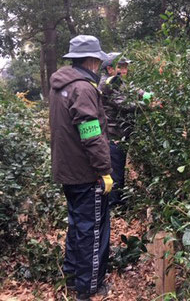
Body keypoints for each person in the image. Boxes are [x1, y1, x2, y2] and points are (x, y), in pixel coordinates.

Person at [49, 35, 113, 300]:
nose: (98, 66)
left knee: (77, 224)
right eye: (98, 60)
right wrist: (104, 170)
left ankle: (72, 275)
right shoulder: (83, 88)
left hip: (67, 170)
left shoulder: (60, 86)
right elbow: (90, 133)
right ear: (91, 60)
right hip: (86, 172)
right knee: (92, 230)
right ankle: (88, 288)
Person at [98, 52, 153, 208]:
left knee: (119, 169)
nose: (125, 70)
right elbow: (124, 104)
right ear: (109, 69)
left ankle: (119, 202)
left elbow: (132, 89)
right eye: (121, 67)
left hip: (120, 134)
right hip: (112, 134)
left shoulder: (117, 81)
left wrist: (145, 94)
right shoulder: (107, 84)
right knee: (114, 171)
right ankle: (114, 206)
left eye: (126, 66)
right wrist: (147, 106)